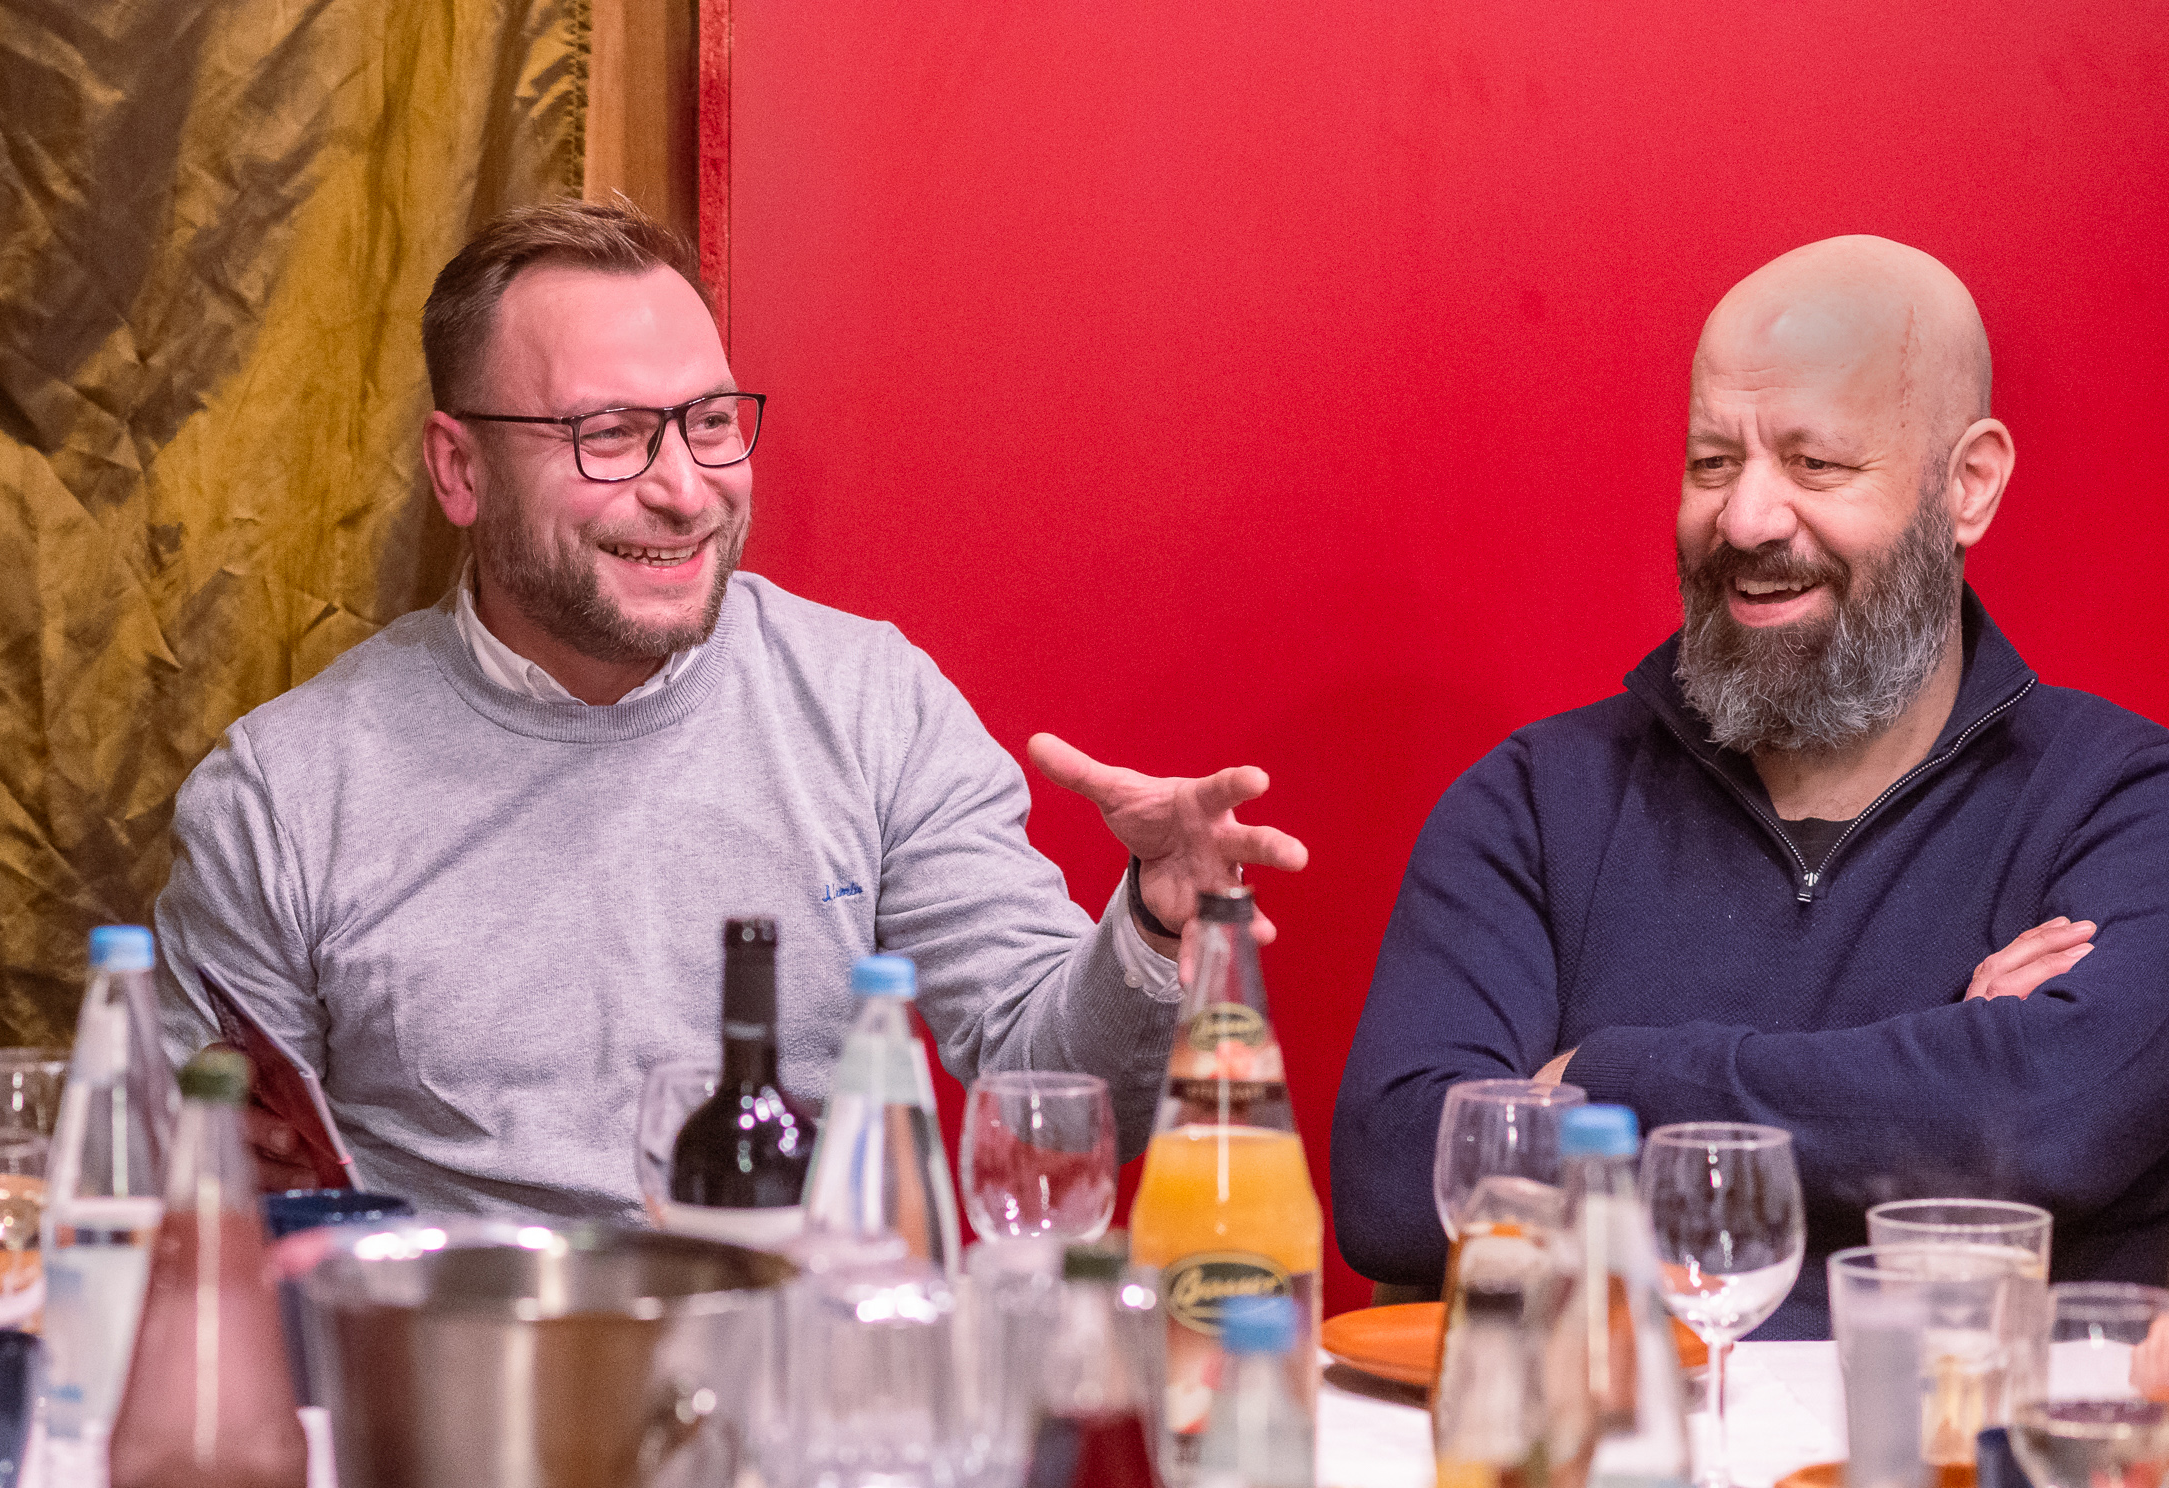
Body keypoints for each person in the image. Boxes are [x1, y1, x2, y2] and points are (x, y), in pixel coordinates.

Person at [149, 197, 1305, 1220]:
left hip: (807, 1391)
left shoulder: (869, 707)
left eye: (707, 422)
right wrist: (193, 1162)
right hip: (462, 1399)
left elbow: (1061, 1096)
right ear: (459, 471)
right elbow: (178, 1183)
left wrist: (1152, 930)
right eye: (606, 434)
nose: (682, 489)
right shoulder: (286, 792)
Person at [1333, 236, 2169, 1332]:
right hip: (1600, 1475)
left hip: (1963, 1485)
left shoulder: (2129, 806)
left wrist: (1597, 1085)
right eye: (1709, 462)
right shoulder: (1534, 805)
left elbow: (2044, 1116)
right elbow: (1395, 1177)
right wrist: (1940, 1073)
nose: (1742, 520)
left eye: (1813, 464)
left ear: (1965, 484)